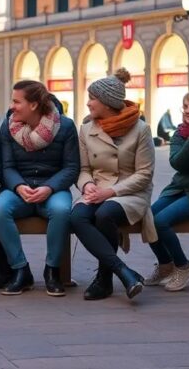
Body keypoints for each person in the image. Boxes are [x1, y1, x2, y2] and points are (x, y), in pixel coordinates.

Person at [71, 69, 154, 301]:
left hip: (131, 192)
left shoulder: (141, 129)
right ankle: (124, 272)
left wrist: (111, 191)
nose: (88, 103)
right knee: (77, 217)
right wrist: (87, 186)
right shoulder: (87, 129)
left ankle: (104, 280)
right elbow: (84, 169)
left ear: (107, 103)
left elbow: (145, 174)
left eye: (92, 99)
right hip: (98, 188)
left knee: (105, 213)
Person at [0, 80, 78, 297]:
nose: (12, 106)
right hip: (18, 188)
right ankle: (20, 270)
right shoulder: (8, 126)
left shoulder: (65, 126)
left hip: (53, 189)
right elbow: (6, 166)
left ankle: (52, 270)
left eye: (16, 101)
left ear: (33, 105)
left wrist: (49, 187)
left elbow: (71, 167)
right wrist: (19, 186)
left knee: (61, 210)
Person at [145, 91, 189, 292]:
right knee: (147, 218)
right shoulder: (181, 133)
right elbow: (178, 162)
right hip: (180, 187)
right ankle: (165, 264)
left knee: (160, 222)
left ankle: (184, 266)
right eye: (185, 106)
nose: (188, 110)